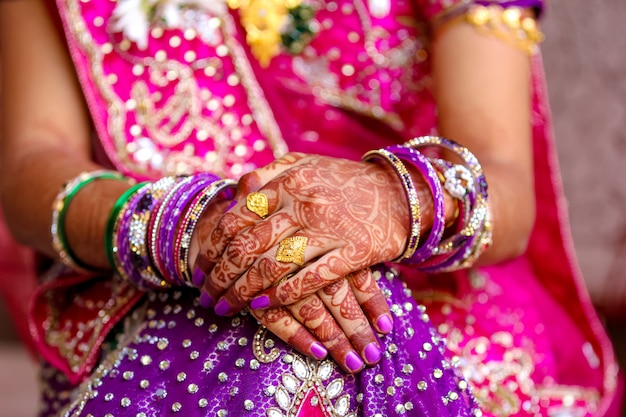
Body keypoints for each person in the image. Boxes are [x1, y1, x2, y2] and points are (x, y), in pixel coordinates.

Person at [0, 0, 621, 415]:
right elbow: (34, 161)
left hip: (426, 267)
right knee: (237, 344)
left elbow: (503, 175)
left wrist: (389, 204)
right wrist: (184, 229)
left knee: (346, 345)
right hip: (155, 264)